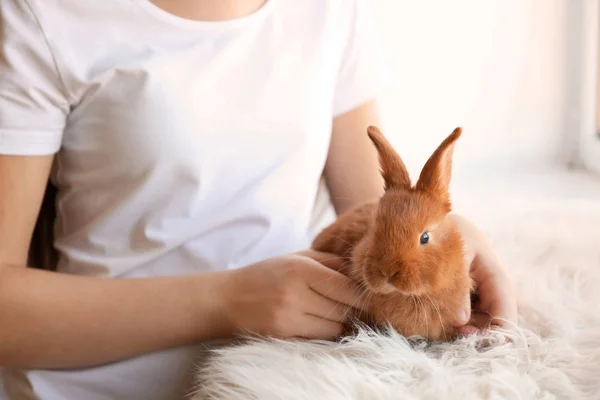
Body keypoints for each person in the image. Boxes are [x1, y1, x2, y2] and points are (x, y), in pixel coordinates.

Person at [0, 0, 517, 399]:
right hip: (92, 387)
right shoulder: (46, 18)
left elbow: (378, 220)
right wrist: (231, 301)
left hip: (278, 380)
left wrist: (451, 240)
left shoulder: (327, 13)